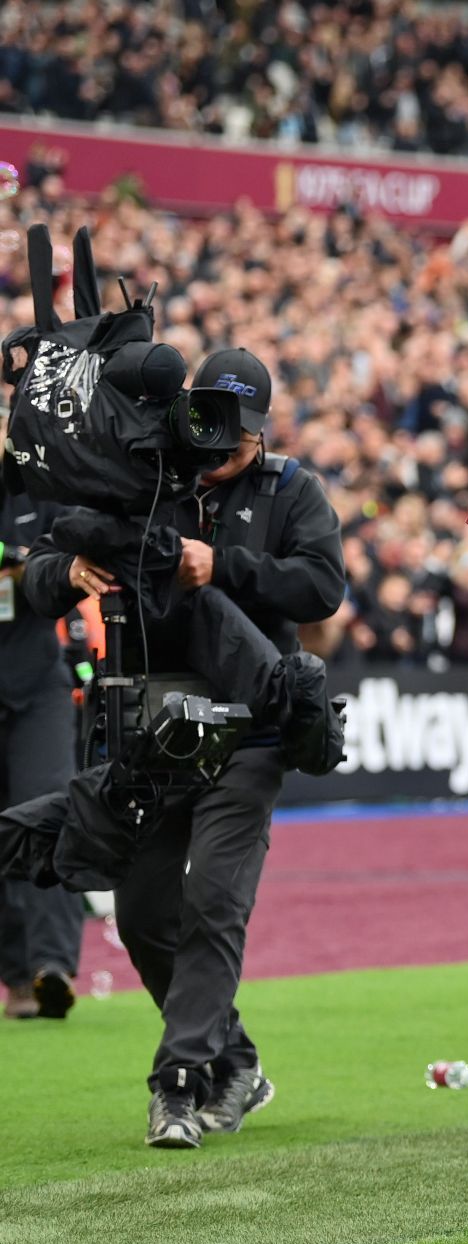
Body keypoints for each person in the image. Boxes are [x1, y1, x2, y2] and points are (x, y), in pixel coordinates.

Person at [24, 350, 345, 1149]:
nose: (218, 454)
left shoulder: (290, 490)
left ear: (263, 435)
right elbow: (39, 569)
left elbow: (322, 588)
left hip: (253, 723)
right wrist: (71, 568)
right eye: (210, 433)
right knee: (140, 914)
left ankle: (180, 1083)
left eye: (235, 444)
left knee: (215, 903)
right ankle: (236, 1061)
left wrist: (223, 567)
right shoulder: (146, 478)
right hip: (153, 726)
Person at [0, 477, 81, 1022]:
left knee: (49, 809)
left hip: (37, 685)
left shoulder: (37, 487)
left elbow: (69, 573)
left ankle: (51, 965)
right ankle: (17, 977)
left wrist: (25, 568)